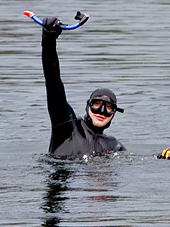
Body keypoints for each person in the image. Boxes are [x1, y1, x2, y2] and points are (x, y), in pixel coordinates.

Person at [39, 17, 126, 158]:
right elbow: (53, 83)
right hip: (62, 177)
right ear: (88, 106)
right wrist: (48, 40)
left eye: (108, 107)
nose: (102, 111)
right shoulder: (66, 126)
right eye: (96, 104)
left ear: (114, 114)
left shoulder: (114, 146)